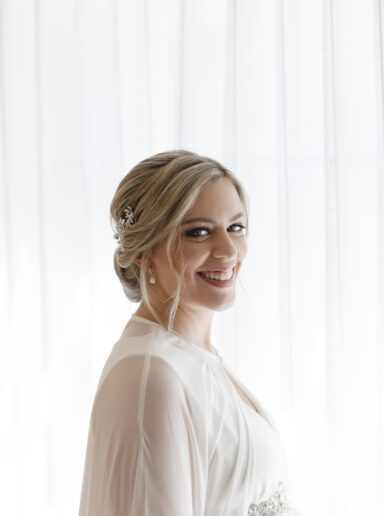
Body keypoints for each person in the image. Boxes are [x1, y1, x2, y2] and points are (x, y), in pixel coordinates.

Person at [78, 150, 301, 515]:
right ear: (143, 251)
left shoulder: (189, 360)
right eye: (198, 232)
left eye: (236, 227)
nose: (228, 251)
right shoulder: (153, 375)